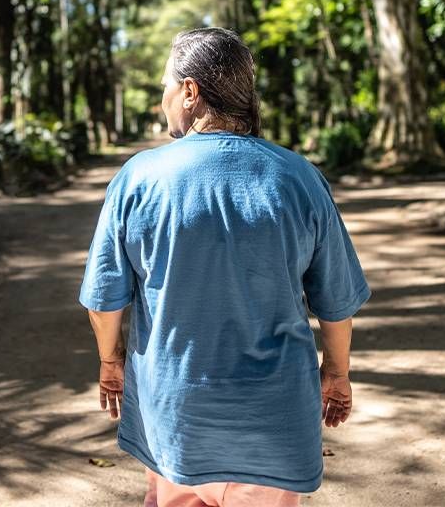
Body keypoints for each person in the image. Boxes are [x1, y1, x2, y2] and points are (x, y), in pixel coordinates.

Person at [80, 27, 370, 507]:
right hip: (273, 428)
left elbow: (106, 299)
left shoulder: (138, 178)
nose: (163, 101)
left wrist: (111, 361)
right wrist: (335, 372)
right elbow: (336, 303)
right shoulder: (300, 177)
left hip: (175, 423)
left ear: (190, 92)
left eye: (165, 89)